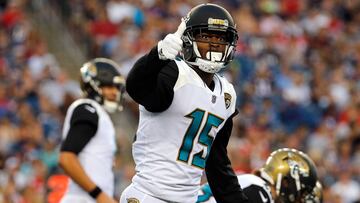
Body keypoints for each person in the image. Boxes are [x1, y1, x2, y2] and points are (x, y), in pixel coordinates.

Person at [121, 3, 246, 203]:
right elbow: (137, 87)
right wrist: (157, 55)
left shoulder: (227, 95)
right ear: (188, 39)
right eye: (206, 36)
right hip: (149, 196)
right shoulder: (174, 73)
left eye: (220, 38)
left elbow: (217, 165)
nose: (214, 43)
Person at [58, 58, 125, 203]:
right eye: (109, 87)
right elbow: (66, 158)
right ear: (94, 85)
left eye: (116, 88)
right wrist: (99, 195)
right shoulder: (88, 109)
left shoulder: (98, 113)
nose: (115, 92)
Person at [196, 148, 322, 203]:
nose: (298, 200)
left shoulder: (254, 184)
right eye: (301, 193)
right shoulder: (261, 191)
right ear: (286, 182)